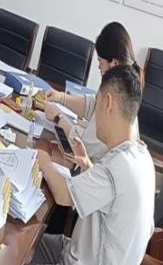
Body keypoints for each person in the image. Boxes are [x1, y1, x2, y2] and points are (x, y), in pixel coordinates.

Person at [4, 65, 154, 265]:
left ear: (108, 102)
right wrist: (87, 166)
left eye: (97, 102)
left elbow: (63, 195)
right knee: (27, 244)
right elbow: (113, 198)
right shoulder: (139, 157)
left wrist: (42, 160)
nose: (94, 112)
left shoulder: (117, 168)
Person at [44, 22, 141, 162]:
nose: (99, 67)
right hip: (90, 165)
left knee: (43, 154)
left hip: (94, 168)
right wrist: (61, 97)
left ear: (114, 63)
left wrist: (58, 117)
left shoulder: (116, 100)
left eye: (101, 61)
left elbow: (85, 146)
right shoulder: (120, 87)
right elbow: (93, 105)